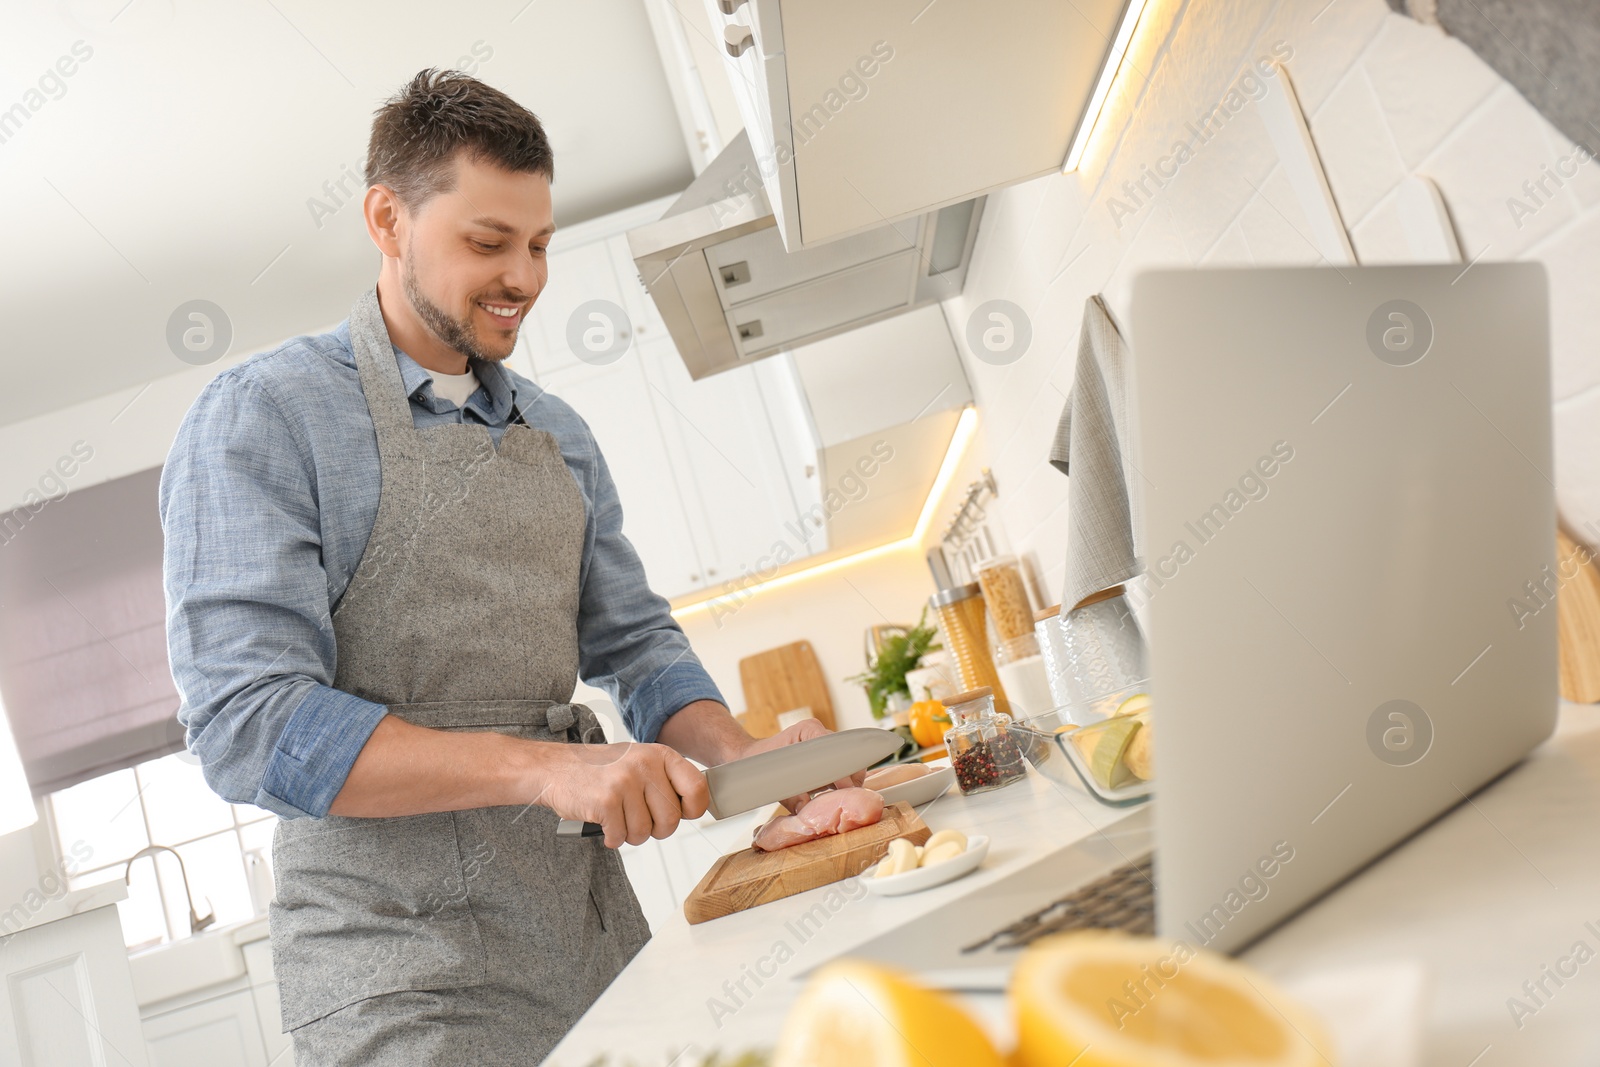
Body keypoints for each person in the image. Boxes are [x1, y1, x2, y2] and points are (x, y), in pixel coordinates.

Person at [159, 68, 846, 1064]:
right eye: (487, 242)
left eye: (538, 244)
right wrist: (551, 766)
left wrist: (744, 759)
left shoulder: (555, 433)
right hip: (401, 982)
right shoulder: (264, 418)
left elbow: (634, 642)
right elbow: (248, 723)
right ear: (387, 219)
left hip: (589, 943)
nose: (523, 276)